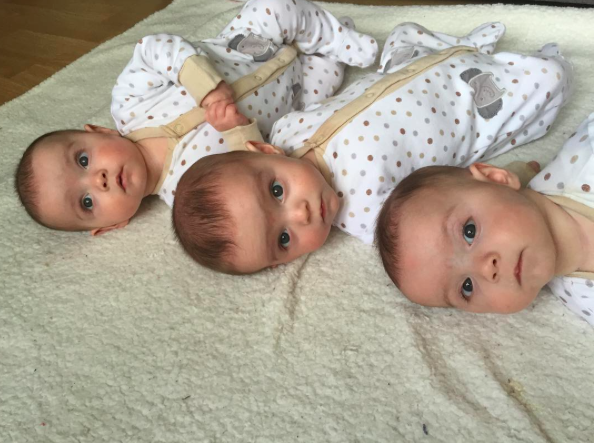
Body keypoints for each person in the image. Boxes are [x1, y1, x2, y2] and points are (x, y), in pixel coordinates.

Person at [172, 21, 573, 274]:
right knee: (549, 78)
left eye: (277, 191)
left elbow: (245, 151)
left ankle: (458, 47)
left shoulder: (283, 134)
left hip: (406, 69)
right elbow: (460, 203)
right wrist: (514, 178)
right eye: (284, 240)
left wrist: (234, 129)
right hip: (467, 106)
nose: (300, 214)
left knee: (404, 33)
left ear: (266, 154)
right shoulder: (374, 218)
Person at [14, 0, 377, 235]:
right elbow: (255, 176)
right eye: (87, 202)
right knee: (320, 106)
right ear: (113, 225)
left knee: (277, 6)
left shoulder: (129, 104)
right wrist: (237, 132)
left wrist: (204, 86)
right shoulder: (188, 193)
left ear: (98, 132)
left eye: (83, 160)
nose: (99, 180)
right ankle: (327, 43)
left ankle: (340, 39)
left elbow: (153, 49)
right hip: (293, 97)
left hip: (245, 46)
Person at [375, 112, 594, 326]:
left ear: (496, 178)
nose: (486, 270)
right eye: (466, 287)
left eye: (469, 232)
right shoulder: (583, 299)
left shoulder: (586, 161)